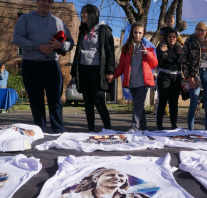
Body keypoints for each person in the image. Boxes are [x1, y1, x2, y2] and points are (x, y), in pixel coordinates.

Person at [12, 0, 74, 133]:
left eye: (50, 1)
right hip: (30, 65)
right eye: (44, 0)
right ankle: (39, 132)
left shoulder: (58, 22)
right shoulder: (25, 19)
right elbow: (16, 38)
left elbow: (71, 42)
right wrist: (37, 46)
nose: (47, 3)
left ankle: (59, 131)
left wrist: (61, 45)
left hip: (51, 65)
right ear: (37, 1)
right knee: (35, 101)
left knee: (55, 101)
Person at [71, 4, 114, 132]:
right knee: (88, 102)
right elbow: (78, 51)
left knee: (99, 101)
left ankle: (108, 129)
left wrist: (110, 71)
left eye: (85, 12)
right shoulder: (83, 30)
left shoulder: (104, 30)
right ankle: (90, 130)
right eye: (82, 12)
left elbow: (110, 51)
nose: (82, 14)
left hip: (97, 71)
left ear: (92, 14)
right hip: (84, 70)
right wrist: (74, 72)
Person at [113, 22, 158, 132]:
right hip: (131, 81)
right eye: (135, 32)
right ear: (132, 33)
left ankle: (134, 127)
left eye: (140, 33)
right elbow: (122, 65)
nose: (137, 35)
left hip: (143, 81)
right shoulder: (126, 48)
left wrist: (147, 53)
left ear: (143, 34)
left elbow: (155, 63)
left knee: (137, 104)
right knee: (139, 106)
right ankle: (144, 128)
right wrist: (113, 75)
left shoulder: (148, 47)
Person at [179, 21, 207, 130]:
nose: (199, 32)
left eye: (202, 30)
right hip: (195, 74)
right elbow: (183, 59)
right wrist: (188, 76)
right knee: (194, 102)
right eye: (197, 29)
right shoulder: (190, 41)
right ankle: (190, 129)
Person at [60, 168, 164, 198]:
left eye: (121, 176)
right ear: (96, 179)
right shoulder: (73, 197)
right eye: (111, 175)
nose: (117, 178)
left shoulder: (137, 197)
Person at [156, 28, 182, 130]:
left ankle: (173, 125)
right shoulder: (161, 46)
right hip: (164, 76)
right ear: (166, 38)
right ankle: (159, 125)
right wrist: (162, 53)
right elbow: (157, 62)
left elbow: (183, 64)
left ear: (176, 38)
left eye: (174, 37)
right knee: (162, 101)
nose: (172, 38)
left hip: (176, 77)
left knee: (174, 102)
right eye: (170, 37)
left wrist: (181, 55)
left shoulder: (179, 48)